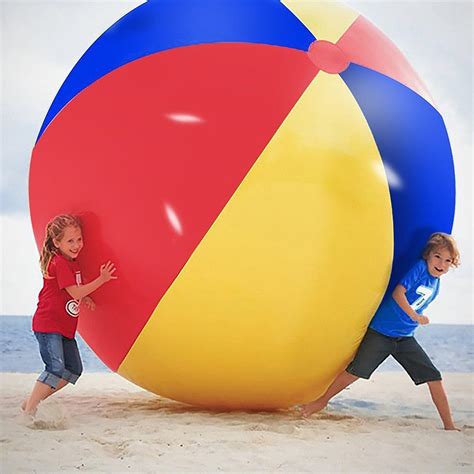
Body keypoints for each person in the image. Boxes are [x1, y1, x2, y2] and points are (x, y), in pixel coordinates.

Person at [300, 233, 461, 431]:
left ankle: (449, 426)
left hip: (404, 338)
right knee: (355, 372)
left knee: (434, 378)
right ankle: (320, 402)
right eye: (437, 256)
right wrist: (415, 316)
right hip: (381, 333)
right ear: (427, 255)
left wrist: (415, 317)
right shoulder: (419, 268)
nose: (441, 264)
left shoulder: (436, 283)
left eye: (447, 261)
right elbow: (398, 293)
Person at [22, 214, 117, 415]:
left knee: (74, 370)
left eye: (79, 239)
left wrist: (85, 297)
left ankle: (31, 401)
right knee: (55, 368)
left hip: (64, 326)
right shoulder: (59, 262)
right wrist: (102, 279)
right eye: (70, 241)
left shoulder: (72, 262)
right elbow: (74, 291)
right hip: (49, 324)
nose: (76, 245)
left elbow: (72, 290)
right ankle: (30, 410)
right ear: (57, 242)